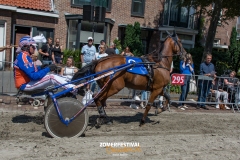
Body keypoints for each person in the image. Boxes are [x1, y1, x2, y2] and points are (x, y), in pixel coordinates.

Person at [13, 36, 79, 94]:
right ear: (26, 47)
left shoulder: (26, 56)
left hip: (29, 82)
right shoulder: (23, 58)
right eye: (33, 46)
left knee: (54, 75)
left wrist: (41, 67)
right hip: (24, 85)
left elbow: (32, 70)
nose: (35, 48)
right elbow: (33, 76)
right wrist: (48, 69)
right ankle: (73, 89)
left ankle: (74, 82)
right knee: (51, 77)